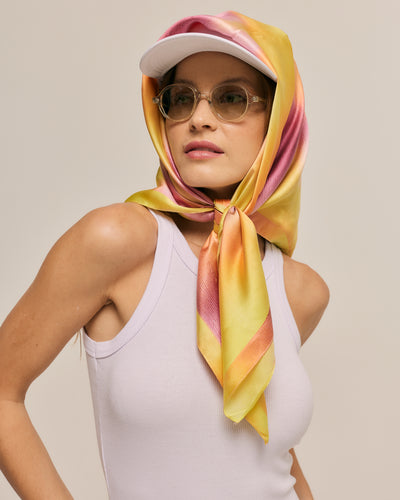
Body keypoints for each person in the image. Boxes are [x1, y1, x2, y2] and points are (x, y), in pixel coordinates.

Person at [0, 11, 329, 500]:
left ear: (280, 123)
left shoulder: (301, 290)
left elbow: (264, 451)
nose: (199, 118)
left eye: (232, 98)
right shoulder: (116, 241)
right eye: (181, 98)